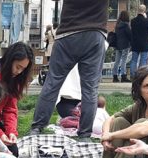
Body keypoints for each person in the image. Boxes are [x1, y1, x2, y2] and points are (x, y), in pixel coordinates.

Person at [30, 0, 108, 139]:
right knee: (90, 89)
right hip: (95, 34)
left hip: (68, 34)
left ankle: (37, 128)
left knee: (53, 83)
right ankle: (84, 135)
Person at [130, 4, 148, 78]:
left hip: (135, 43)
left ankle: (133, 76)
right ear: (144, 11)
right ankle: (141, 76)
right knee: (143, 60)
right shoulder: (147, 21)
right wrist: (146, 18)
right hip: (144, 43)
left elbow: (132, 31)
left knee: (134, 60)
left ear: (138, 10)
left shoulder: (133, 21)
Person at [112, 10, 132, 83]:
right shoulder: (126, 25)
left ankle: (115, 77)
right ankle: (123, 76)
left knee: (117, 61)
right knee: (124, 61)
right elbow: (130, 35)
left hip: (118, 45)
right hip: (125, 45)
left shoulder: (117, 25)